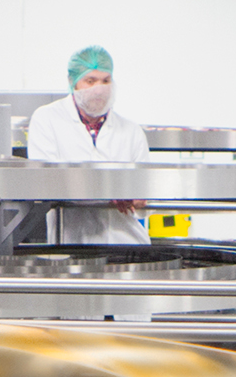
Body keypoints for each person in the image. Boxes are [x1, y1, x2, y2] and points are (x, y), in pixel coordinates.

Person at [26, 46, 152, 244]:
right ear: (73, 82)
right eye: (90, 81)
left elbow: (145, 198)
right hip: (70, 245)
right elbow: (48, 184)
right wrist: (112, 193)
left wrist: (139, 198)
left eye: (105, 81)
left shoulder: (131, 130)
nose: (99, 89)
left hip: (126, 244)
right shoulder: (47, 119)